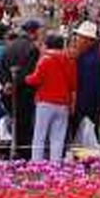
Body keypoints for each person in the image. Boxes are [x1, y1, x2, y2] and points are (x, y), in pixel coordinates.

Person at [25, 31, 76, 161]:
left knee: (40, 135)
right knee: (58, 136)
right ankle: (55, 163)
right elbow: (73, 84)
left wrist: (26, 78)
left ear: (48, 44)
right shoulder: (69, 60)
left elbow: (36, 79)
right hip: (63, 102)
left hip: (45, 102)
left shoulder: (45, 59)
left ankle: (37, 163)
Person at [0, 20, 41, 160]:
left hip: (8, 92)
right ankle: (23, 154)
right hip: (25, 93)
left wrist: (7, 84)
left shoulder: (9, 47)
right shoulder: (32, 49)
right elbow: (29, 73)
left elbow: (2, 69)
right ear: (33, 32)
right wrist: (15, 84)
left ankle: (15, 150)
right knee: (25, 125)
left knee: (14, 121)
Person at [69, 22, 100, 153]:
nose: (76, 40)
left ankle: (86, 163)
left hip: (86, 106)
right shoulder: (87, 55)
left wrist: (77, 106)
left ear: (88, 40)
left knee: (85, 135)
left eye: (79, 37)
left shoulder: (92, 59)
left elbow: (89, 88)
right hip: (87, 104)